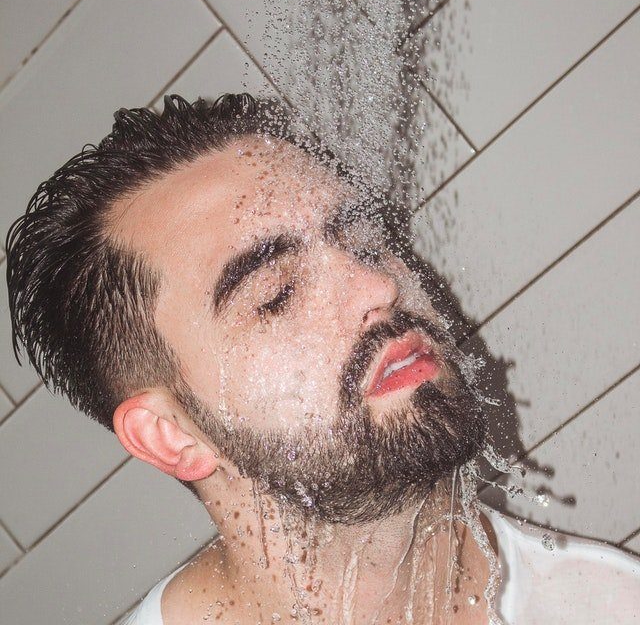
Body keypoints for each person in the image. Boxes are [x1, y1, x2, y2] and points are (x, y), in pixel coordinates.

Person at [5, 94, 638, 625]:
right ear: (170, 435)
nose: (379, 287)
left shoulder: (608, 603)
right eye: (278, 296)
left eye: (367, 241)